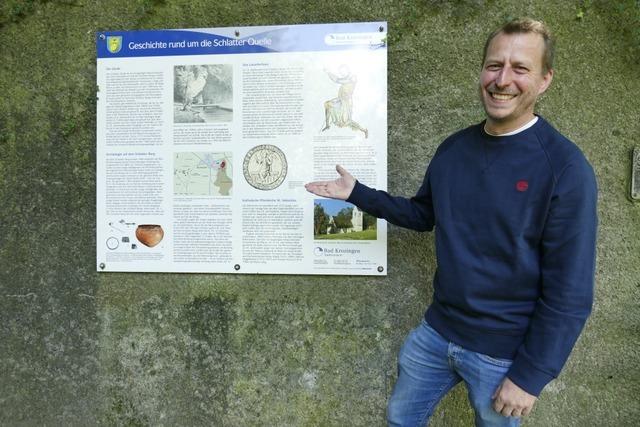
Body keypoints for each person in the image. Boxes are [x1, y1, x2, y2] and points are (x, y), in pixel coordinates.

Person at [305, 18, 597, 427]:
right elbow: (425, 214)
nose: (503, 79)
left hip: (503, 355)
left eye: (520, 68)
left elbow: (571, 292)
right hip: (436, 334)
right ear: (481, 71)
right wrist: (359, 194)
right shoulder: (454, 148)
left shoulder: (565, 168)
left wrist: (530, 376)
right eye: (494, 65)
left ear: (545, 80)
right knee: (400, 420)